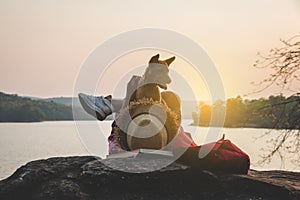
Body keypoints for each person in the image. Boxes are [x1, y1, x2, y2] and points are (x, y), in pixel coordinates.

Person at [79, 74, 197, 154]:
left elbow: (124, 122)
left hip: (131, 142)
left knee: (139, 86)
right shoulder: (177, 141)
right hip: (166, 143)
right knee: (171, 97)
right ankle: (109, 104)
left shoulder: (120, 146)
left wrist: (129, 97)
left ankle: (109, 104)